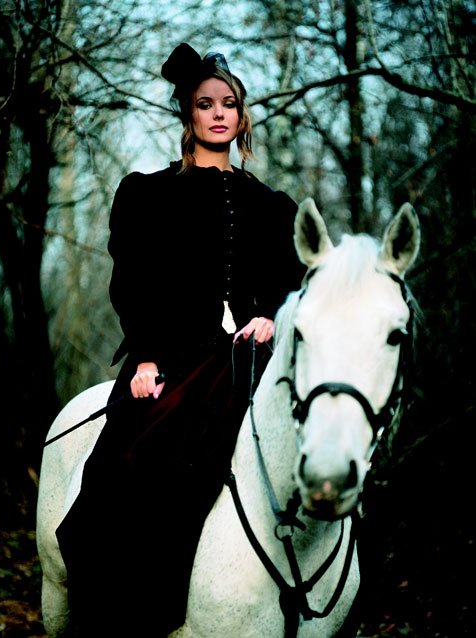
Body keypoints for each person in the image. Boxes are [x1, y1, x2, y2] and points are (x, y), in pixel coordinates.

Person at [56, 42, 305, 636]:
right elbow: (132, 283)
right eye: (205, 103)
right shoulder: (148, 195)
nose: (219, 114)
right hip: (170, 359)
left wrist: (272, 314)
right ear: (187, 113)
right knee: (125, 470)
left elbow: (290, 281)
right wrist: (144, 357)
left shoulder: (272, 206)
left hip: (252, 360)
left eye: (229, 104)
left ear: (242, 117)